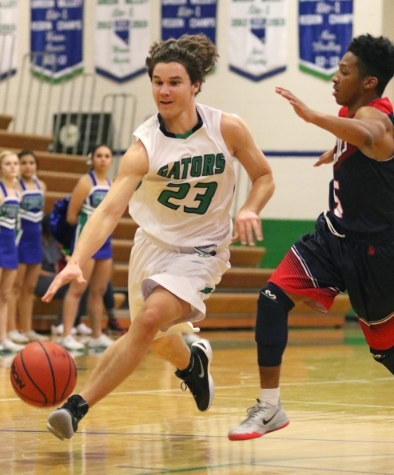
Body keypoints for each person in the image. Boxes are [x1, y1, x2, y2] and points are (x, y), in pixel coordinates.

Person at [43, 33, 274, 441]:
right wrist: (77, 258)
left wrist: (250, 208)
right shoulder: (144, 145)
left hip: (203, 251)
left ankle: (76, 407)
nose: (163, 90)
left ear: (196, 84)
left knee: (147, 321)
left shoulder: (227, 128)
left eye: (174, 82)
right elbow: (110, 210)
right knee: (157, 340)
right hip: (151, 250)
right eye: (157, 81)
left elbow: (264, 176)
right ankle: (192, 363)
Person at [228, 33, 394, 441]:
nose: (335, 77)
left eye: (344, 71)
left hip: (373, 254)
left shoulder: (377, 117)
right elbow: (357, 143)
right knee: (271, 299)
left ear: (369, 82)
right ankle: (269, 408)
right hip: (331, 238)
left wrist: (311, 115)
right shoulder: (352, 114)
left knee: (384, 351)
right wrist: (335, 152)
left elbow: (370, 136)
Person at [58, 145, 116, 350]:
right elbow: (71, 216)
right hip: (86, 242)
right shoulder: (85, 181)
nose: (103, 159)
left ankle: (96, 334)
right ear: (92, 159)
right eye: (98, 155)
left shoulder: (112, 183)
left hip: (105, 242)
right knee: (77, 289)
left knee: (99, 291)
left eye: (107, 156)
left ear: (111, 160)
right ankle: (66, 334)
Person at [7, 150, 48, 344]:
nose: (27, 166)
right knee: (15, 287)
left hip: (35, 240)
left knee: (29, 288)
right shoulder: (15, 186)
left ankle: (26, 328)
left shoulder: (42, 185)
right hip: (20, 239)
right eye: (23, 162)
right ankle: (10, 329)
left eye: (31, 162)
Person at [0, 151, 24, 352]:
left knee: (5, 295)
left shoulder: (17, 192)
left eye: (15, 163)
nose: (13, 167)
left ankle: (3, 338)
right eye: (8, 163)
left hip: (11, 246)